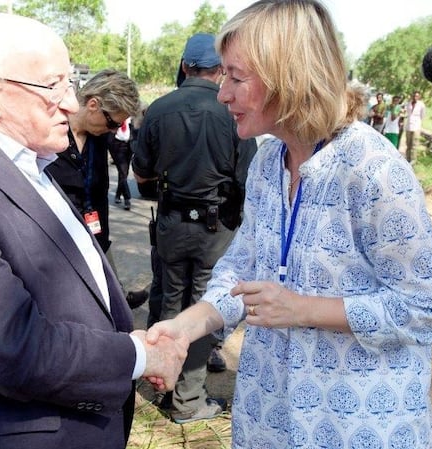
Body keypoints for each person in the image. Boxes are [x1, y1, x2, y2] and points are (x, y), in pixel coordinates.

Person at [145, 1, 432, 447]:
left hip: (356, 422)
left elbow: (427, 308)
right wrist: (186, 327)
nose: (222, 93)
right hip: (270, 415)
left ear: (288, 76)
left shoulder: (373, 169)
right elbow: (240, 268)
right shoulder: (269, 160)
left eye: (236, 76)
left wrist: (304, 309)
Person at [0, 13, 186, 449]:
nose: (72, 104)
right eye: (51, 87)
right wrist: (137, 355)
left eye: (70, 82)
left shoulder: (31, 165)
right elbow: (7, 345)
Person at [133, 33, 258, 423]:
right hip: (216, 226)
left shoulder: (159, 108)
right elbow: (247, 178)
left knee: (172, 301)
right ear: (220, 70)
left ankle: (162, 379)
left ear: (185, 66)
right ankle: (187, 401)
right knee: (205, 306)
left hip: (172, 220)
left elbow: (141, 173)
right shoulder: (232, 109)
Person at [42, 69, 147, 309]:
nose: (113, 130)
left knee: (109, 302)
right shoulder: (48, 133)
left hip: (96, 237)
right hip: (56, 247)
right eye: (112, 123)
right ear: (92, 104)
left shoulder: (100, 137)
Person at [110, 117, 134, 210]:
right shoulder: (117, 117)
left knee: (124, 173)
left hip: (128, 146)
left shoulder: (132, 118)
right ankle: (127, 199)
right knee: (123, 172)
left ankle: (117, 194)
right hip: (117, 146)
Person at [403, 90, 425, 162]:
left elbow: (422, 116)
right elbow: (406, 113)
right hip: (408, 126)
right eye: (414, 96)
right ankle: (407, 159)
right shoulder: (408, 104)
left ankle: (413, 160)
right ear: (412, 96)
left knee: (414, 145)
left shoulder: (421, 105)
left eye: (417, 96)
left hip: (416, 127)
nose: (415, 97)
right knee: (408, 144)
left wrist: (419, 123)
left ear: (419, 97)